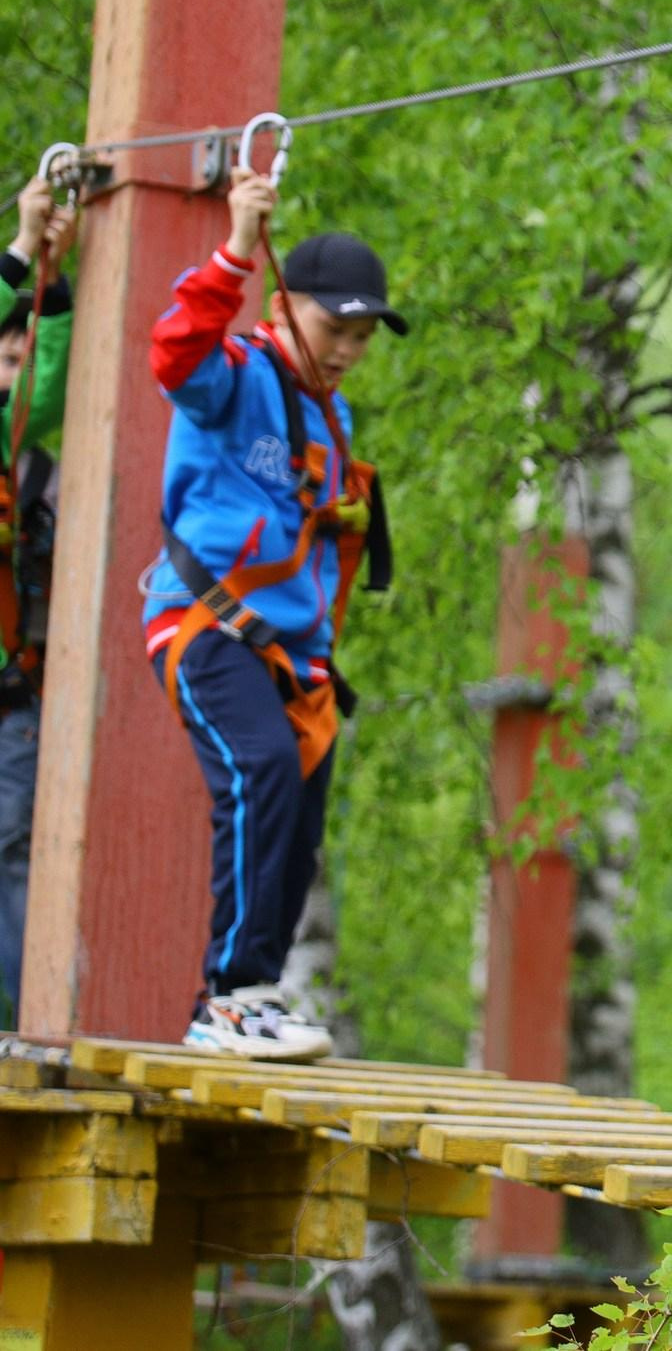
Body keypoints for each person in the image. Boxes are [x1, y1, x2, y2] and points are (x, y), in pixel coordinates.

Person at [143, 166, 398, 1060]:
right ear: (290, 309)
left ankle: (254, 988)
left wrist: (320, 654)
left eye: (363, 338)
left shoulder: (335, 419)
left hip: (290, 649)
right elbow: (173, 351)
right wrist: (237, 249)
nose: (347, 351)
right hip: (204, 624)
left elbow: (322, 551)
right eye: (337, 329)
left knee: (301, 798)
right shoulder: (232, 377)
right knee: (258, 769)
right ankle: (232, 992)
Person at [0, 173, 76, 1019]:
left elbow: (44, 388)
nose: (12, 373)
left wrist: (50, 280)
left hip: (14, 687)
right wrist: (20, 252)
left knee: (10, 844)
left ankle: (25, 1019)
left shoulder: (30, 464)